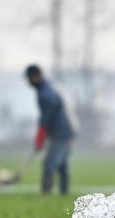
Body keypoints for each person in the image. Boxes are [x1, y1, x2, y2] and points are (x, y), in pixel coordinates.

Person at [24, 64, 77, 194]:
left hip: (60, 134)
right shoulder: (47, 88)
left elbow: (45, 118)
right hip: (65, 132)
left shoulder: (45, 94)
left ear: (35, 77)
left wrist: (40, 137)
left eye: (29, 78)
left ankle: (46, 192)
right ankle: (64, 192)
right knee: (62, 165)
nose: (28, 81)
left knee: (49, 165)